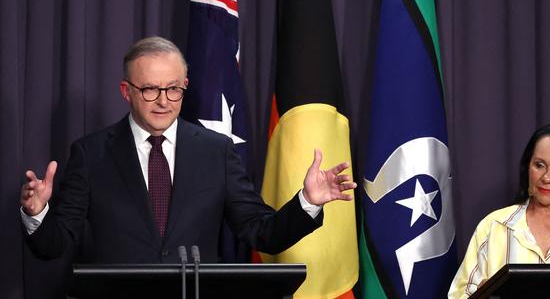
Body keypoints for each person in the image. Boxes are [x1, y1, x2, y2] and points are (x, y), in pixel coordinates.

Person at [20, 36, 356, 266]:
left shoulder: (216, 152)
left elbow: (261, 232)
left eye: (173, 89)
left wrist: (307, 202)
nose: (164, 101)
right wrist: (37, 214)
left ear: (185, 86)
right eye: (150, 89)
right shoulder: (91, 154)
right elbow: (55, 246)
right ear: (126, 91)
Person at [448, 123, 550, 299]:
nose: (546, 177)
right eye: (539, 165)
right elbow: (459, 295)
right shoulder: (493, 227)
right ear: (527, 167)